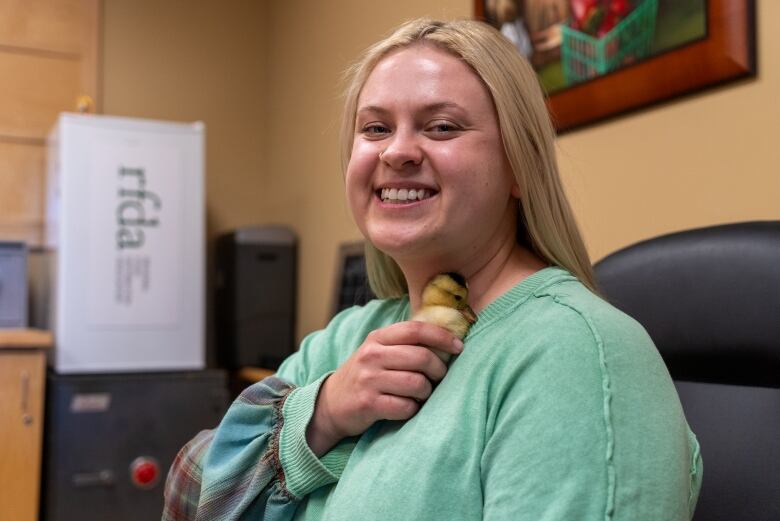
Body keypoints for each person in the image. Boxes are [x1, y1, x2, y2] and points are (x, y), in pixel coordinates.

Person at [163, 18, 702, 521]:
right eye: (374, 128)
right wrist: (322, 413)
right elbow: (191, 494)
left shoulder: (575, 355)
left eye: (441, 127)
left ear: (520, 165)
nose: (396, 152)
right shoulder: (348, 340)